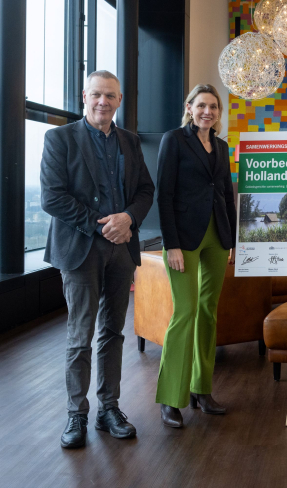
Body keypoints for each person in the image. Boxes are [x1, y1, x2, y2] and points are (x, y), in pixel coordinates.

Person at [40, 70, 155, 449]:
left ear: (119, 100)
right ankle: (77, 414)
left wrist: (130, 218)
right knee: (79, 334)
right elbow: (52, 197)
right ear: (84, 98)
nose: (103, 101)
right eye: (96, 95)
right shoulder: (59, 138)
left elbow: (144, 190)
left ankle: (109, 408)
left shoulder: (131, 142)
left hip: (122, 249)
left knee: (112, 332)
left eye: (110, 95)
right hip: (81, 248)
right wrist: (103, 225)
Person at [155, 84, 237, 428]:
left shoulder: (221, 145)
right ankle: (171, 398)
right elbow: (164, 194)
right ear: (189, 108)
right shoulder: (173, 140)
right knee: (185, 313)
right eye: (201, 105)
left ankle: (201, 389)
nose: (208, 111)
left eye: (214, 107)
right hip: (183, 240)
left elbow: (225, 193)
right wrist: (170, 243)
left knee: (208, 312)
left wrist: (232, 239)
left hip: (217, 236)